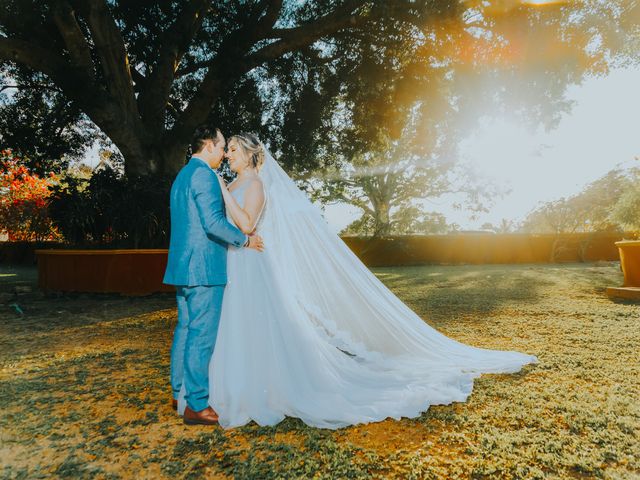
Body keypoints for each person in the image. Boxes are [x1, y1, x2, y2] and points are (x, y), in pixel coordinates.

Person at [177, 132, 537, 429]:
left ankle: (261, 386)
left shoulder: (253, 185)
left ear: (253, 155)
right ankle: (222, 386)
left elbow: (248, 225)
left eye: (235, 151)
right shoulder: (232, 180)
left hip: (253, 264)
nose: (229, 156)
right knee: (232, 327)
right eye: (228, 152)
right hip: (233, 265)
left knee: (259, 324)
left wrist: (224, 193)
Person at [163, 126, 264, 426]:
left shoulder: (182, 175)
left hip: (183, 268)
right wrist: (245, 241)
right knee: (201, 336)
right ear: (208, 145)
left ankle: (178, 391)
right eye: (221, 147)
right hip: (204, 267)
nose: (223, 153)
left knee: (185, 329)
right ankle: (195, 404)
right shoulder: (205, 175)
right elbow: (213, 223)